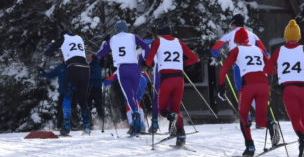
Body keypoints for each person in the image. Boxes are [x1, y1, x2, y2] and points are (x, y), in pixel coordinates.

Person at [264, 20, 304, 157]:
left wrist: (276, 71)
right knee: (302, 119)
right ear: (298, 36)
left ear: (286, 36)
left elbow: (267, 69)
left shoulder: (280, 50)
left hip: (289, 89)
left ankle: (303, 141)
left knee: (295, 120)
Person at [218, 28, 279, 157]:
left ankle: (250, 147)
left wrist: (221, 87)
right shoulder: (258, 50)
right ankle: (271, 124)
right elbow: (273, 70)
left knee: (244, 117)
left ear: (237, 41)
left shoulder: (236, 50)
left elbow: (223, 69)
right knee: (261, 119)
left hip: (248, 85)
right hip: (263, 84)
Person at [145, 17, 199, 146]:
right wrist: (184, 63)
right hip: (179, 78)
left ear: (159, 33)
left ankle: (172, 119)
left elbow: (148, 61)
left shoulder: (158, 42)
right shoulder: (178, 41)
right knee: (176, 109)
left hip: (166, 78)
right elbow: (194, 58)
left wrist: (150, 62)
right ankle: (181, 135)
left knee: (162, 109)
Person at [97, 20, 151, 136]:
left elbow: (100, 54)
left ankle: (135, 117)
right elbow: (147, 47)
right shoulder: (133, 36)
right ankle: (139, 123)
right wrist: (143, 60)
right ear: (126, 28)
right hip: (135, 68)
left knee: (129, 96)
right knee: (135, 96)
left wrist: (102, 46)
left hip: (123, 69)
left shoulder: (113, 39)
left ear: (116, 29)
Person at [44, 31, 91, 136]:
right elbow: (84, 52)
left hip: (74, 68)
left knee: (67, 96)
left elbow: (50, 51)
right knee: (82, 99)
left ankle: (66, 126)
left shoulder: (63, 38)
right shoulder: (79, 38)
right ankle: (87, 127)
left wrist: (48, 51)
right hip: (85, 68)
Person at [211, 14, 267, 98]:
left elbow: (214, 50)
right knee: (256, 96)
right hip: (256, 69)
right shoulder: (253, 35)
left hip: (240, 67)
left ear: (233, 24)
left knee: (243, 95)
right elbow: (264, 52)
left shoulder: (229, 35)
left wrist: (219, 58)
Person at [39, 61, 67, 128]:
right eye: (63, 56)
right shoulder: (60, 67)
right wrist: (42, 72)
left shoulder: (73, 66)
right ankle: (60, 125)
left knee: (72, 108)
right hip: (63, 92)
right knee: (60, 109)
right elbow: (50, 75)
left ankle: (74, 125)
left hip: (73, 92)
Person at [86, 50, 105, 130]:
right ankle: (89, 123)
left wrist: (87, 76)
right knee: (87, 106)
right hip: (87, 88)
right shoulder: (84, 63)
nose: (87, 56)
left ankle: (102, 122)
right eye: (86, 54)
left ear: (91, 54)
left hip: (96, 87)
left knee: (99, 105)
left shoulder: (97, 62)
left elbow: (97, 75)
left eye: (88, 54)